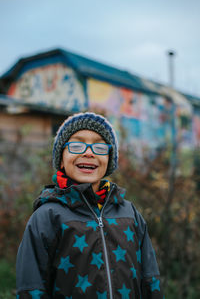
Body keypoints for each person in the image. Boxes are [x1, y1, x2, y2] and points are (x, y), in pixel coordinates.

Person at [16, 112, 164, 299]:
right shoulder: (47, 216)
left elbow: (150, 280)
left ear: (109, 159)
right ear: (61, 159)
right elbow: (31, 289)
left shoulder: (129, 213)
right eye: (76, 145)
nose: (89, 152)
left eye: (100, 147)